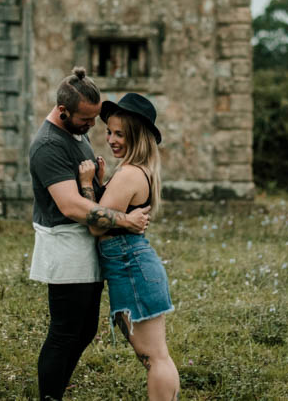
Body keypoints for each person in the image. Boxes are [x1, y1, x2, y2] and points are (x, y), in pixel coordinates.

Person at [29, 68, 151, 401]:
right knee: (65, 332)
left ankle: (57, 390)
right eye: (86, 120)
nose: (92, 127)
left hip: (85, 242)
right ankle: (49, 397)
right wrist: (125, 220)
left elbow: (84, 195)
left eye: (95, 118)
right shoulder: (48, 146)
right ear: (63, 111)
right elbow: (70, 206)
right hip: (66, 244)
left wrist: (96, 180)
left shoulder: (76, 131)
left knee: (84, 330)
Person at [78, 92, 180, 401]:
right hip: (131, 268)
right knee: (152, 356)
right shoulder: (135, 171)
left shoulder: (129, 174)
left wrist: (85, 184)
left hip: (132, 269)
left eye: (119, 133)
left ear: (136, 136)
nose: (110, 139)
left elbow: (96, 224)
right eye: (109, 131)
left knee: (155, 358)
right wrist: (101, 183)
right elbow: (111, 214)